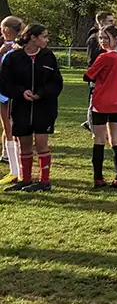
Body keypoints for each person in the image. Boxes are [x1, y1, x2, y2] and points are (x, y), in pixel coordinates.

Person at [0, 23, 64, 192]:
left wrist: (42, 93)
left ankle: (44, 181)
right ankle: (25, 179)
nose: (47, 40)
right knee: (24, 143)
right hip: (21, 107)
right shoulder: (14, 58)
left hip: (44, 107)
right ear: (32, 38)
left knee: (42, 142)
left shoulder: (48, 56)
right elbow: (5, 83)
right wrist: (21, 92)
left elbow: (56, 82)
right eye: (44, 36)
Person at [84, 27, 117, 189]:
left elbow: (87, 76)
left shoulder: (104, 57)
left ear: (116, 39)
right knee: (116, 140)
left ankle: (98, 177)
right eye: (101, 38)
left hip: (102, 101)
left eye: (106, 38)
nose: (103, 41)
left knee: (99, 140)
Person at [83, 12, 117, 131]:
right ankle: (92, 126)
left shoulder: (115, 45)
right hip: (98, 81)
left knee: (112, 132)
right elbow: (92, 62)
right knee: (95, 106)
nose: (113, 23)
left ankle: (97, 127)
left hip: (112, 86)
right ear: (101, 22)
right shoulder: (93, 39)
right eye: (110, 21)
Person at [0, 15, 23, 184]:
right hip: (8, 93)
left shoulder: (15, 49)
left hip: (10, 94)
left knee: (12, 131)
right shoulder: (10, 48)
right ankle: (15, 170)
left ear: (7, 30)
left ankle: (17, 171)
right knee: (10, 130)